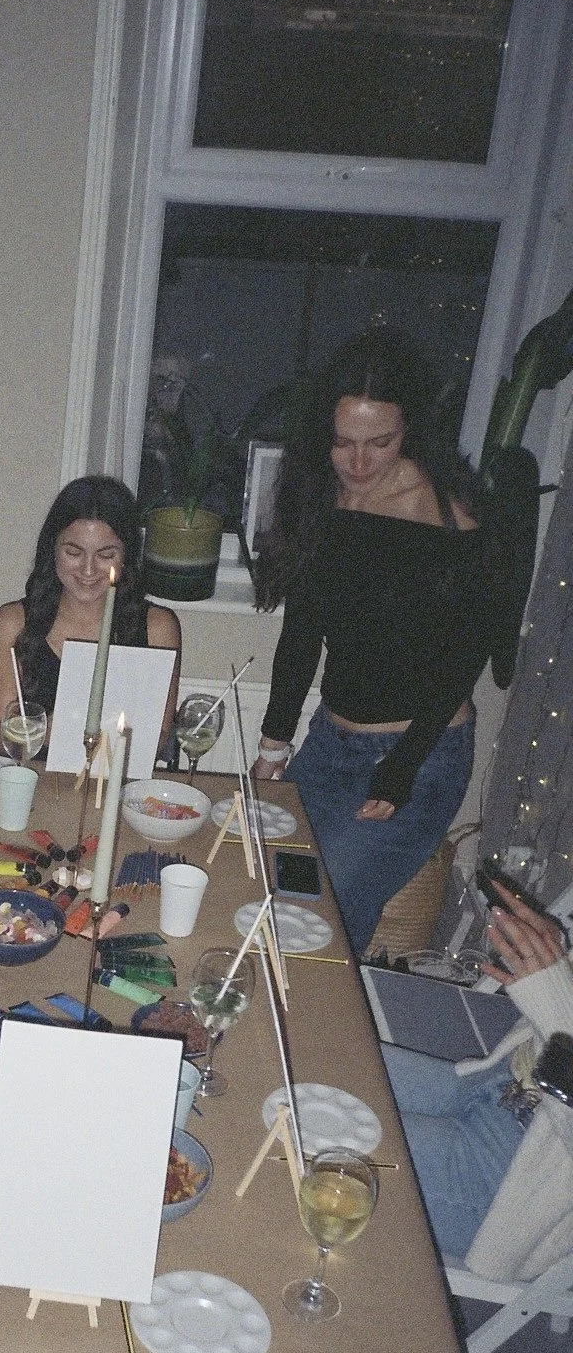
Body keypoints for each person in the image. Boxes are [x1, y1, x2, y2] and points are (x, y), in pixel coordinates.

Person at [252, 331, 498, 957]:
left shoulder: (449, 516)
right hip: (329, 743)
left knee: (324, 927)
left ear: (409, 431)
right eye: (344, 442)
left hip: (419, 748)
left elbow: (461, 659)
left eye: (380, 442)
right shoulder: (320, 494)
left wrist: (402, 769)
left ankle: (322, 1048)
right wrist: (275, 745)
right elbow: (302, 635)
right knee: (279, 890)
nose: (359, 463)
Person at [383, 882, 573, 1278]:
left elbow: (562, 1017)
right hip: (493, 1087)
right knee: (323, 1057)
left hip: (515, 1183)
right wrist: (561, 958)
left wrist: (558, 1009)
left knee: (321, 1134)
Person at [0, 476, 181, 758]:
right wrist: (50, 727)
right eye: (74, 552)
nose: (88, 570)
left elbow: (160, 738)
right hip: (30, 778)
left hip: (114, 784)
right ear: (52, 550)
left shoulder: (158, 628)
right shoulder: (13, 622)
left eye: (106, 554)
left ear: (126, 556)